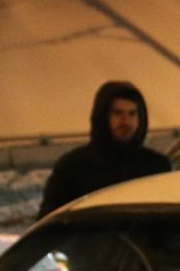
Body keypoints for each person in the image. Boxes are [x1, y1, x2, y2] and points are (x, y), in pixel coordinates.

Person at [37, 80, 172, 218]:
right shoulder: (72, 168)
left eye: (132, 113)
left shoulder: (157, 167)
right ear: (102, 116)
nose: (126, 121)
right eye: (118, 113)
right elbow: (49, 224)